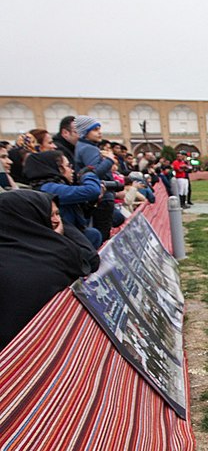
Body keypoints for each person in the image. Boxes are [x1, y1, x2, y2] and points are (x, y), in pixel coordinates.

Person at [0, 189, 99, 350]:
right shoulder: (51, 262)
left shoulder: (22, 252)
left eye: (58, 214)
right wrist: (57, 227)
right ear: (28, 221)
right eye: (49, 215)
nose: (56, 220)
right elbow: (90, 259)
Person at [23, 150, 104, 249]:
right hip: (62, 243)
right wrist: (88, 174)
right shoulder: (48, 188)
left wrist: (91, 204)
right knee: (92, 235)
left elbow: (81, 221)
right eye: (68, 166)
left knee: (92, 234)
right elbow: (92, 191)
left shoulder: (53, 186)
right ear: (58, 169)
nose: (72, 171)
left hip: (68, 238)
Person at [74, 115, 117, 242]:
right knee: (102, 234)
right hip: (102, 196)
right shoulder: (88, 148)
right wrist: (109, 160)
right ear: (84, 132)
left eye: (99, 129)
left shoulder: (84, 146)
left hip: (99, 195)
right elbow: (93, 173)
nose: (99, 133)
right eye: (95, 130)